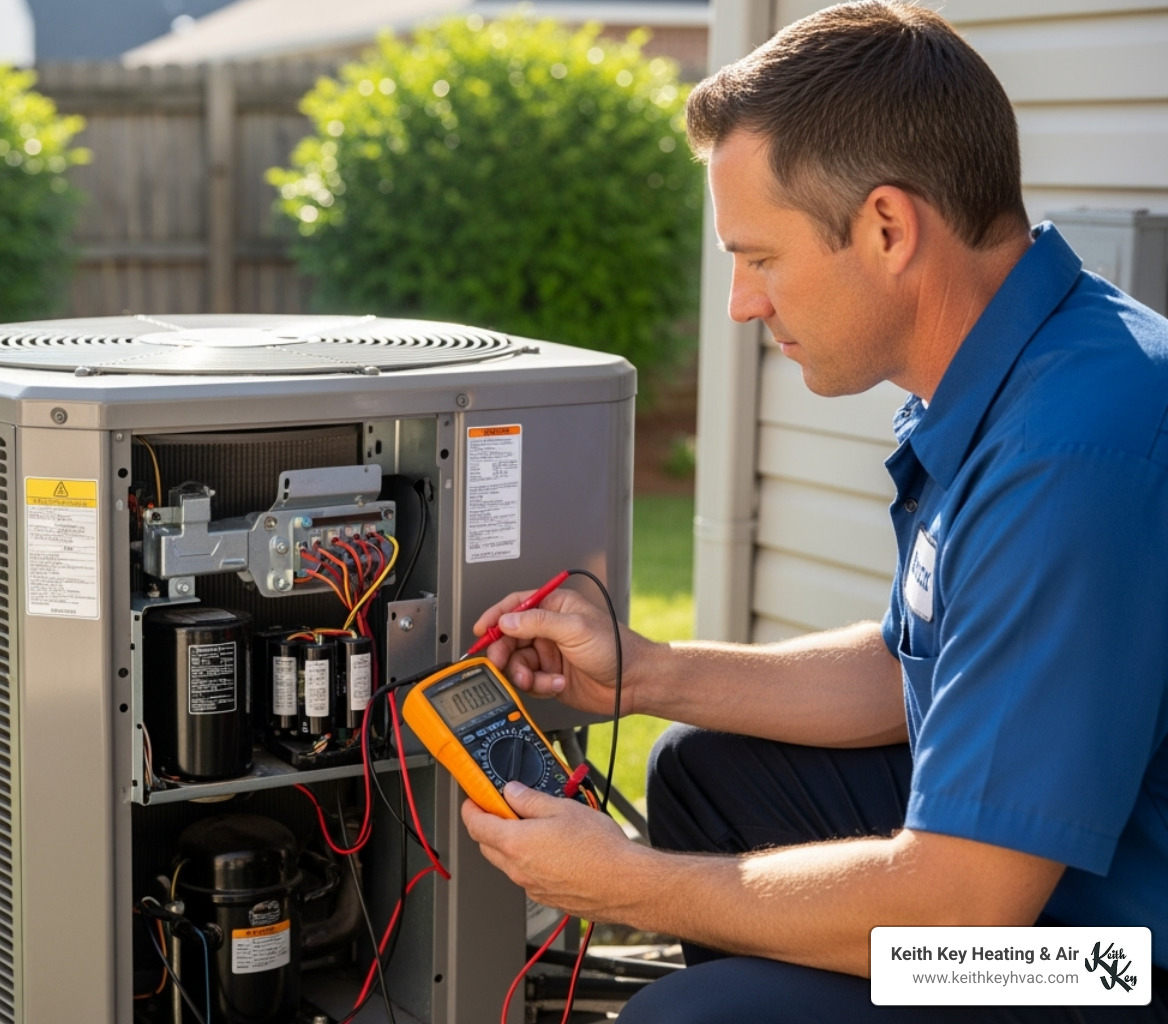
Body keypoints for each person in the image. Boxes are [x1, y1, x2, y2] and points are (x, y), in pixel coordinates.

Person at [461, 3, 1168, 1021]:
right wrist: (649, 672)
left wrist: (627, 882)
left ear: (887, 227)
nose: (743, 303)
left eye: (759, 257)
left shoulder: (1072, 455)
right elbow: (911, 668)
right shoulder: (1021, 367)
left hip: (1106, 962)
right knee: (702, 771)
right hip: (1050, 892)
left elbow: (966, 909)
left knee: (679, 1021)